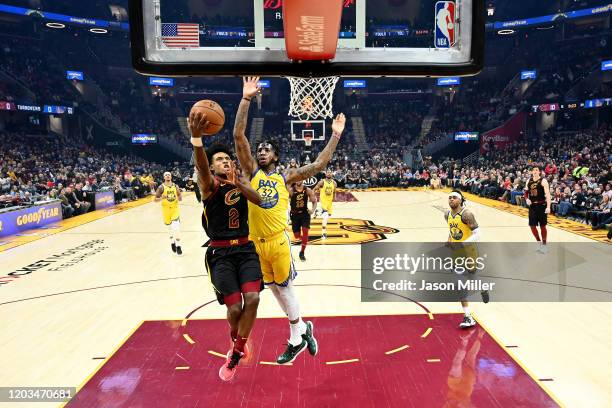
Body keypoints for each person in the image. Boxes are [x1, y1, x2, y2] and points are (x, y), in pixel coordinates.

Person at [233, 76, 346, 364]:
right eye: (260, 149)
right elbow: (238, 136)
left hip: (278, 241)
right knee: (273, 289)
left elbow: (320, 164)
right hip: (256, 244)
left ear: (276, 156)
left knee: (286, 289)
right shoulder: (251, 172)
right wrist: (246, 99)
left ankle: (296, 337)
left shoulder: (287, 177)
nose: (261, 151)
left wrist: (334, 135)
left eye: (267, 149)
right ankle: (303, 327)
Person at [189, 112, 264, 381]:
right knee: (233, 310)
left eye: (227, 158)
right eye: (219, 159)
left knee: (253, 298)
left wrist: (240, 185)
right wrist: (197, 140)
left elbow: (260, 200)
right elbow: (200, 168)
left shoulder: (240, 182)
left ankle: (235, 353)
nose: (226, 161)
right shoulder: (209, 185)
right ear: (211, 167)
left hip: (245, 249)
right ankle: (237, 338)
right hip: (220, 254)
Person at [445, 190, 486, 329]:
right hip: (457, 253)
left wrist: (462, 244)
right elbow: (452, 230)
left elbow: (478, 234)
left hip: (469, 251)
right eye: (449, 197)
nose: (451, 200)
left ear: (460, 200)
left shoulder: (467, 214)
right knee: (459, 284)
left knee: (472, 278)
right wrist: (449, 239)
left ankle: (482, 286)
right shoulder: (447, 214)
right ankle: (468, 317)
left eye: (454, 197)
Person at [154, 172, 183, 255]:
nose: (167, 176)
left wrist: (180, 196)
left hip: (174, 209)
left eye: (169, 175)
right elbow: (155, 200)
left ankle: (178, 246)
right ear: (164, 177)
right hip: (166, 210)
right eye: (166, 175)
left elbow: (180, 197)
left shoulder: (175, 186)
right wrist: (161, 198)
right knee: (169, 229)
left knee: (176, 227)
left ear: (171, 176)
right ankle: (172, 241)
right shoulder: (161, 187)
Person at [524, 166, 551, 253]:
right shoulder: (529, 181)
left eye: (536, 170)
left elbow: (548, 195)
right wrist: (526, 199)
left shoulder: (543, 181)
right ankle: (539, 242)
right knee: (532, 226)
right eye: (533, 170)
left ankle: (544, 245)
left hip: (541, 205)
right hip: (532, 206)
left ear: (539, 172)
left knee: (543, 226)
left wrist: (548, 207)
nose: (535, 171)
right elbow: (526, 192)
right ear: (531, 172)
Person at [289, 180, 317, 261]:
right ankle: (305, 239)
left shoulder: (307, 190)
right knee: (296, 236)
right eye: (297, 179)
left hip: (305, 213)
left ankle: (302, 252)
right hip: (294, 214)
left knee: (305, 231)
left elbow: (314, 201)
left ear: (303, 180)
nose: (298, 180)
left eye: (300, 179)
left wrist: (312, 210)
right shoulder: (291, 190)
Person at [314, 170, 337, 239]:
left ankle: (318, 212)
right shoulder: (322, 182)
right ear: (325, 174)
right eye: (328, 172)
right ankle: (323, 233)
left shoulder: (334, 183)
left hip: (329, 203)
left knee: (329, 216)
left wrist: (334, 197)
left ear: (332, 174)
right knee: (325, 217)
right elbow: (314, 189)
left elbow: (334, 191)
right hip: (323, 202)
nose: (329, 173)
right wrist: (313, 197)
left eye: (330, 172)